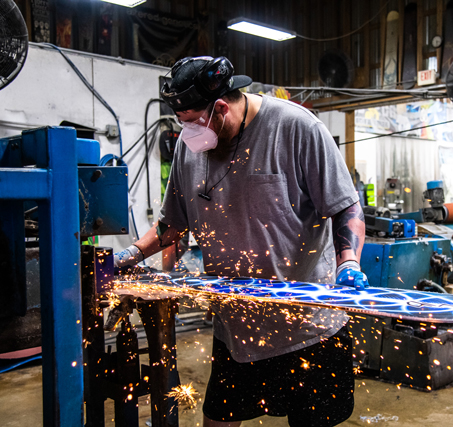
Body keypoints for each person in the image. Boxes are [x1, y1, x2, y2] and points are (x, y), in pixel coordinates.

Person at [115, 56, 368, 427]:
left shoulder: (297, 128)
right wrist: (132, 254)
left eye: (193, 122)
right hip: (238, 329)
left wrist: (349, 262)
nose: (189, 134)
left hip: (309, 327)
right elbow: (173, 223)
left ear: (220, 107)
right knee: (218, 419)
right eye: (183, 123)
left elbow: (346, 208)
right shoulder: (190, 148)